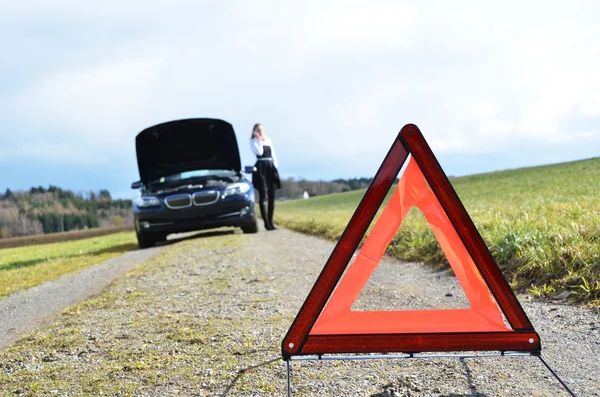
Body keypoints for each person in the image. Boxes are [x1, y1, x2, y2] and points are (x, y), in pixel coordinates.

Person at [250, 123, 281, 231]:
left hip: (270, 167)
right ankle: (266, 223)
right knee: (263, 195)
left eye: (262, 130)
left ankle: (271, 221)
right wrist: (258, 140)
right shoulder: (253, 141)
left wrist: (274, 166)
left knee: (272, 195)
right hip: (261, 168)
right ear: (255, 131)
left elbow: (273, 154)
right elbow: (260, 152)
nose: (261, 132)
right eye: (258, 130)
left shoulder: (268, 139)